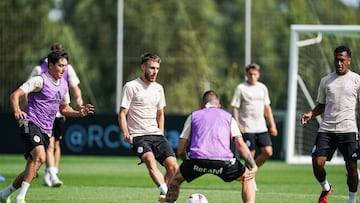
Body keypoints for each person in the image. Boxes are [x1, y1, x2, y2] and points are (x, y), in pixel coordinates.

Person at [0, 50, 94, 203]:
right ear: (50, 65)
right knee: (41, 157)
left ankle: (5, 193)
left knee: (32, 169)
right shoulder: (40, 80)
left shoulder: (64, 85)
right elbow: (15, 95)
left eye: (65, 66)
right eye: (60, 65)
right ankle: (21, 198)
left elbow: (64, 109)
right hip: (30, 123)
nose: (63, 69)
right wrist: (17, 109)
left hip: (46, 130)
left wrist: (80, 113)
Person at [164, 90, 258, 203]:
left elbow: (180, 150)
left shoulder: (194, 115)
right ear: (218, 106)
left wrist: (188, 164)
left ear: (202, 105)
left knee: (176, 180)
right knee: (247, 178)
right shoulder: (228, 117)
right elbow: (240, 144)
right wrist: (253, 165)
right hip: (223, 162)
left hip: (197, 161)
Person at [301, 45, 359, 203]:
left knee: (352, 167)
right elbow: (321, 104)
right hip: (326, 129)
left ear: (349, 61)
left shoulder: (356, 80)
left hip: (348, 129)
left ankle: (352, 200)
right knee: (317, 163)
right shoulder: (326, 81)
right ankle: (326, 187)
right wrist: (311, 114)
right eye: (336, 60)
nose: (339, 63)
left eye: (342, 60)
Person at [117, 53, 178, 203]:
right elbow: (122, 113)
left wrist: (161, 132)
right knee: (150, 160)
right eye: (151, 68)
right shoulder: (131, 86)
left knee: (173, 167)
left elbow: (160, 113)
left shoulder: (159, 88)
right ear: (143, 67)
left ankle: (163, 198)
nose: (155, 71)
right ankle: (167, 195)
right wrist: (126, 133)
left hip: (156, 135)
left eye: (157, 68)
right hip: (138, 136)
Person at [26, 43, 83, 187]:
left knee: (56, 145)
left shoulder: (68, 69)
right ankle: (52, 175)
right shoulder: (40, 69)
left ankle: (50, 173)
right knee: (50, 146)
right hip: (38, 115)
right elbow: (27, 89)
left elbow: (74, 87)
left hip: (58, 113)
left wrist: (79, 100)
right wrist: (23, 108)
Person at [230, 63, 278, 190]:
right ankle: (250, 179)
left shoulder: (262, 88)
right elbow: (234, 106)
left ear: (258, 75)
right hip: (247, 127)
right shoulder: (241, 88)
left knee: (268, 152)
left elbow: (267, 107)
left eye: (255, 74)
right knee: (249, 154)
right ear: (246, 74)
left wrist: (272, 125)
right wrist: (237, 123)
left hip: (261, 127)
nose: (252, 76)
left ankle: (250, 172)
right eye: (250, 74)